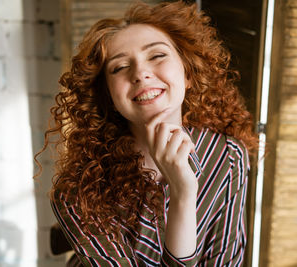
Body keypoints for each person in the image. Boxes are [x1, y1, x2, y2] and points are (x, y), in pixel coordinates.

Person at [36, 1, 258, 266]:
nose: (140, 73)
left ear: (188, 73)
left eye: (157, 56)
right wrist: (183, 194)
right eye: (119, 67)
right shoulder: (77, 192)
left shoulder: (229, 157)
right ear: (109, 97)